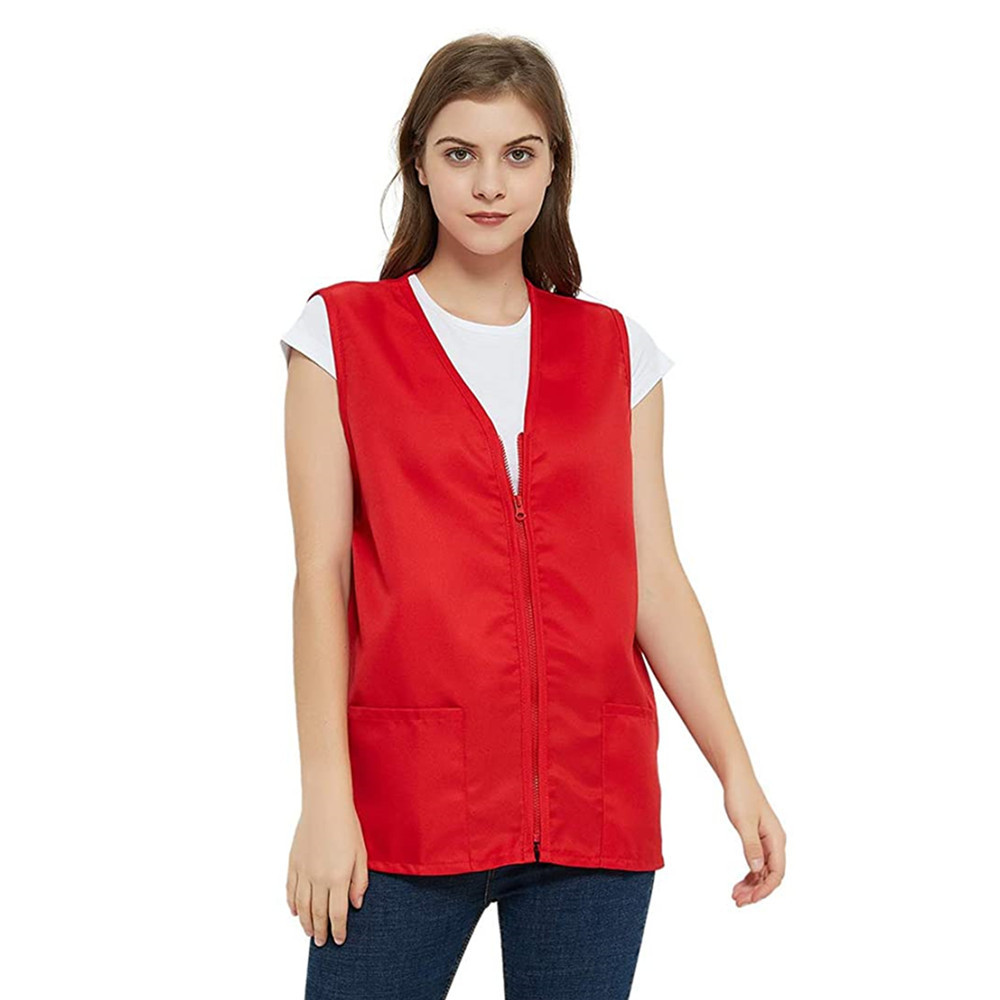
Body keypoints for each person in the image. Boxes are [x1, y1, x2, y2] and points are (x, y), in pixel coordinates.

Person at [280, 32, 786, 1000]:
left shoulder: (617, 351)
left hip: (595, 803)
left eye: (519, 153)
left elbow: (653, 578)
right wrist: (324, 800)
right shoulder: (339, 334)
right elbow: (319, 579)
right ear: (417, 162)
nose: (489, 184)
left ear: (554, 167)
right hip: (405, 803)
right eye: (459, 153)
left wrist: (736, 769)